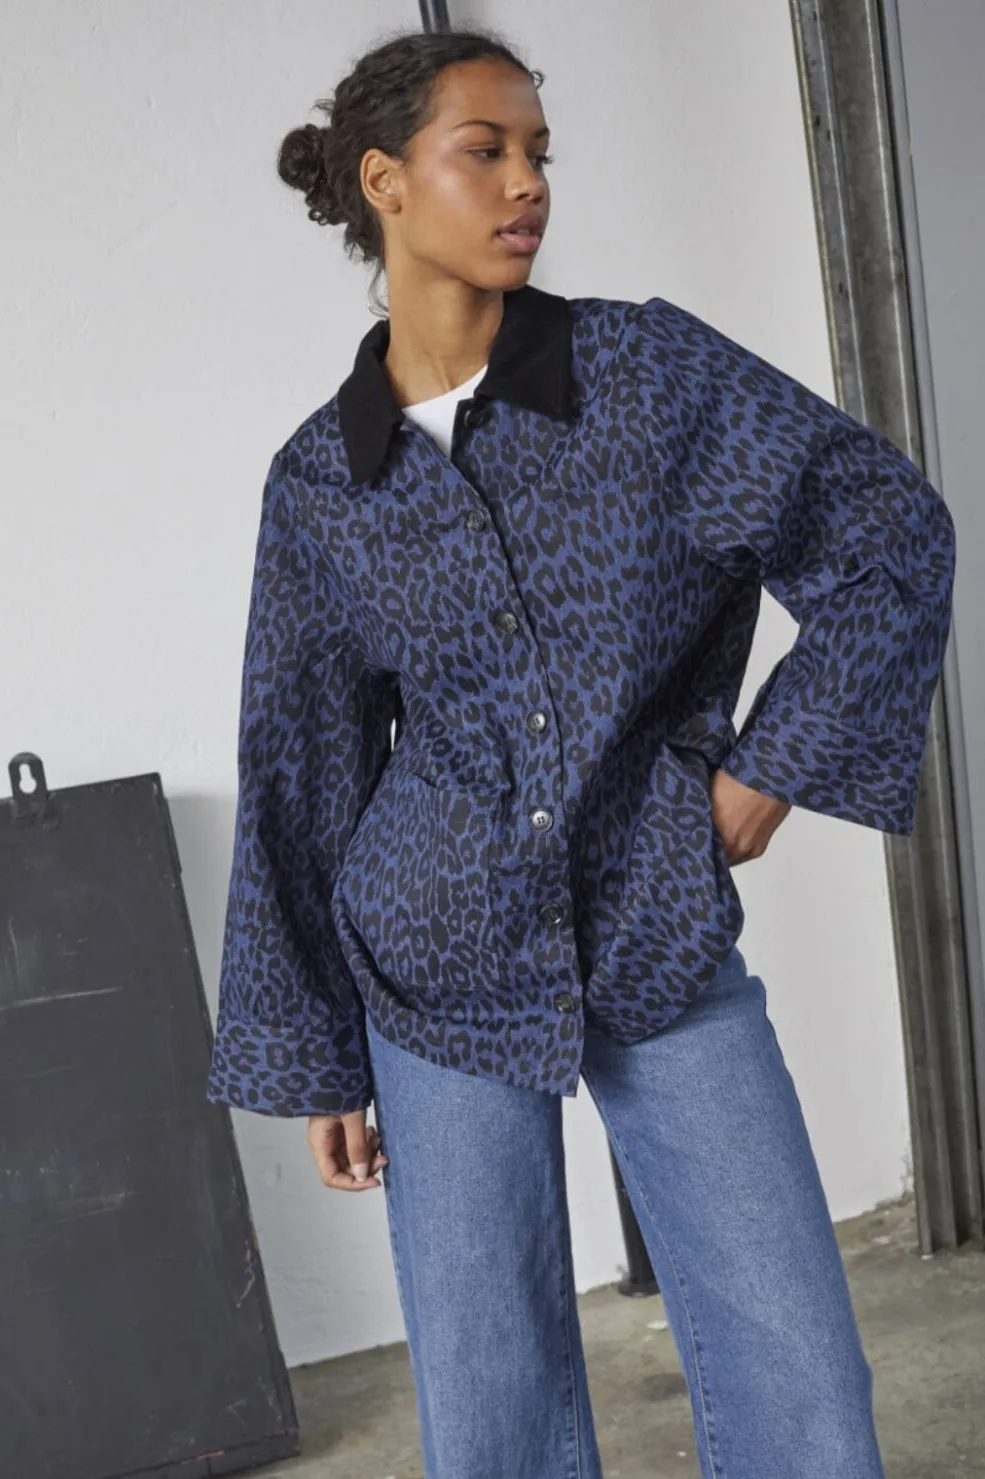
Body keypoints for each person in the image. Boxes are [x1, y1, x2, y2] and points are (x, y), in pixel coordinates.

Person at [206, 24, 956, 1479]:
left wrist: (765, 773)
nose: (527, 183)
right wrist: (320, 1058)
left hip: (655, 919)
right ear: (385, 182)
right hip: (432, 962)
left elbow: (888, 534)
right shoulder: (321, 480)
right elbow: (299, 766)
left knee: (800, 1367)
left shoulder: (647, 375)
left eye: (539, 153)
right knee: (492, 1409)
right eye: (484, 151)